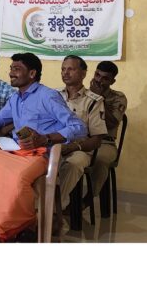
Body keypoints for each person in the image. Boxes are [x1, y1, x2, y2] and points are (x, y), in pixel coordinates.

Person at [0, 53, 86, 242]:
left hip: (38, 155)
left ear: (32, 73)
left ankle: (20, 228)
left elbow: (79, 127)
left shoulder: (48, 96)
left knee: (15, 178)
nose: (11, 73)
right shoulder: (16, 98)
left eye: (17, 69)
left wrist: (45, 138)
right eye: (11, 69)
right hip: (13, 151)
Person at [56, 55, 108, 215]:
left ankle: (55, 207)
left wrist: (73, 147)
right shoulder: (54, 96)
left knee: (73, 164)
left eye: (71, 69)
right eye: (63, 69)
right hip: (54, 146)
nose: (65, 73)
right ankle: (33, 206)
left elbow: (97, 140)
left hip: (80, 149)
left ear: (83, 73)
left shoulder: (93, 101)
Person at [87, 61, 127, 198]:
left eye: (105, 78)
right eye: (97, 75)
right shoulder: (83, 93)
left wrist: (99, 99)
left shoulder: (118, 97)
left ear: (112, 81)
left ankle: (88, 199)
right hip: (84, 139)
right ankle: (64, 199)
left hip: (105, 143)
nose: (99, 81)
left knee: (100, 159)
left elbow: (111, 123)